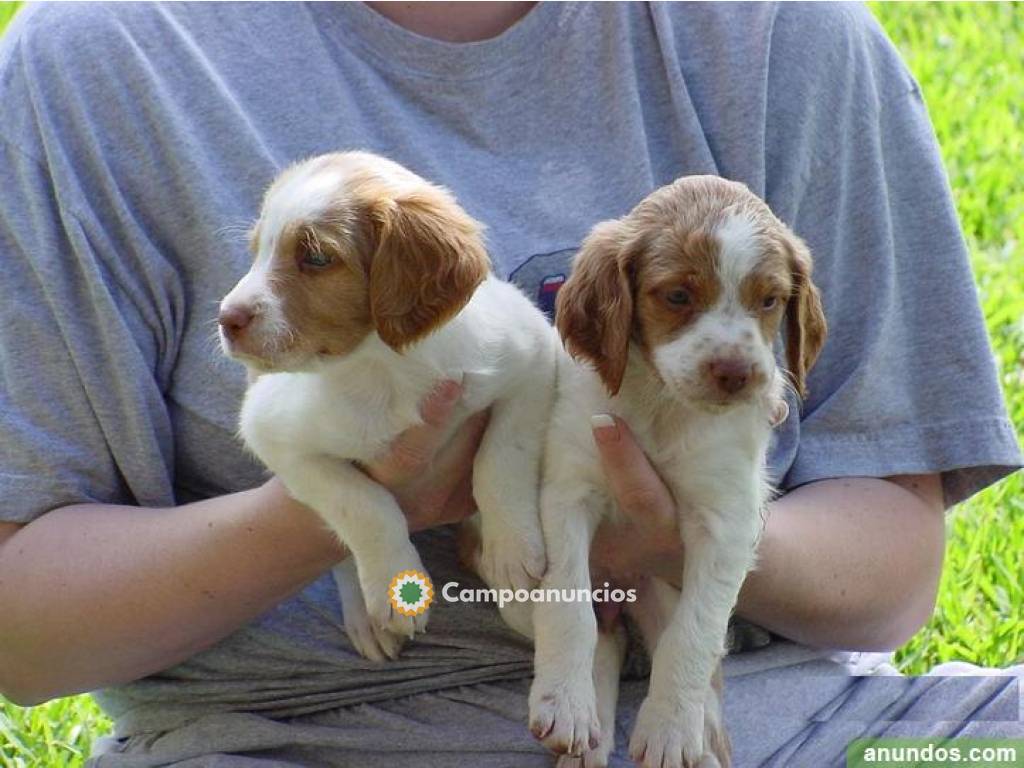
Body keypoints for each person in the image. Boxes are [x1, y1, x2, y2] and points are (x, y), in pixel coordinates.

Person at [0, 3, 1020, 766]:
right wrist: (369, 516)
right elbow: (20, 632)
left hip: (788, 717)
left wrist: (666, 537)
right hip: (295, 737)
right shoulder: (96, 62)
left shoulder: (784, 34)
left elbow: (890, 565)